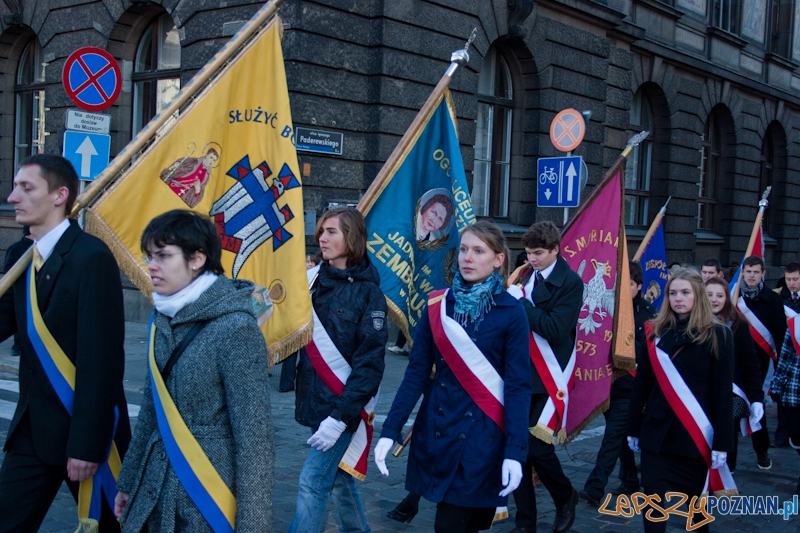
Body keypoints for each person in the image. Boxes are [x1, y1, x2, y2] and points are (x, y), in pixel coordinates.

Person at [114, 210, 273, 531]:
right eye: (149, 256)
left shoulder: (236, 328)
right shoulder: (162, 318)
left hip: (205, 492)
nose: (152, 266)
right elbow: (151, 410)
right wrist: (129, 482)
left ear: (197, 258)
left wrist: (253, 526)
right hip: (155, 488)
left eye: (163, 256)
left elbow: (254, 438)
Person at [0, 154, 131, 532]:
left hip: (82, 430)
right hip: (32, 431)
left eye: (26, 188)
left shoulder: (91, 257)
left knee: (112, 527)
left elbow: (102, 361)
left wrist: (88, 446)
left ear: (59, 196)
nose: (12, 197)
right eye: (15, 187)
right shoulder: (20, 255)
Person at [375, 220, 531, 533]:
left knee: (452, 526)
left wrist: (516, 451)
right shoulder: (438, 304)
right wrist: (391, 429)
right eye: (463, 250)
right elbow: (416, 373)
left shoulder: (511, 312)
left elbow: (517, 387)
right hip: (438, 428)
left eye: (478, 251)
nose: (467, 258)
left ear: (498, 259)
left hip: (483, 436)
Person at [288, 207, 387, 533]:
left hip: (343, 408)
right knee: (340, 480)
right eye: (321, 231)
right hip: (314, 400)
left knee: (313, 481)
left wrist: (339, 417)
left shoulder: (369, 294)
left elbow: (370, 365)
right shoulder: (312, 282)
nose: (322, 238)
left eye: (331, 231)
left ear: (352, 238)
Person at [627, 268, 734, 533]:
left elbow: (722, 394)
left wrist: (723, 443)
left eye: (685, 292)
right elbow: (642, 385)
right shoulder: (655, 332)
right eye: (673, 293)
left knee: (697, 512)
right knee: (653, 505)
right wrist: (633, 428)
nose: (678, 298)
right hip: (657, 434)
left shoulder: (718, 334)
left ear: (698, 295)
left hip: (694, 435)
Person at [507, 221, 582, 533]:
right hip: (519, 372)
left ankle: (565, 496)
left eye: (538, 253)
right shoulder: (525, 274)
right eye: (528, 253)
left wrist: (522, 303)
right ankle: (526, 521)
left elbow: (555, 329)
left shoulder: (571, 283)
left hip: (549, 377)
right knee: (516, 448)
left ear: (555, 250)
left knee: (538, 449)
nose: (532, 259)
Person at [579, 261, 657, 506]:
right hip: (608, 384)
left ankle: (595, 487)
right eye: (621, 285)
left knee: (612, 436)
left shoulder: (648, 315)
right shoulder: (611, 309)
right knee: (621, 436)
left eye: (630, 285)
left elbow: (646, 355)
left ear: (640, 286)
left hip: (632, 388)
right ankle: (630, 480)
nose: (624, 290)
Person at [705, 277, 764, 472]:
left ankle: (726, 475)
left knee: (726, 441)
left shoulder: (738, 325)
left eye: (719, 295)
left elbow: (750, 365)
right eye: (709, 295)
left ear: (726, 298)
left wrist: (756, 398)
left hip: (730, 393)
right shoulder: (693, 323)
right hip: (701, 393)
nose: (714, 299)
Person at [738, 255, 787, 466]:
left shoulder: (773, 299)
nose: (751, 276)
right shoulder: (734, 296)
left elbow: (779, 334)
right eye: (748, 271)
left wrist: (778, 366)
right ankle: (729, 460)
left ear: (763, 274)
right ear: (742, 272)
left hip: (760, 363)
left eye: (756, 272)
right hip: (734, 360)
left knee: (757, 408)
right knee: (732, 407)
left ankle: (761, 450)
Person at [279, 251, 321, 392]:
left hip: (311, 318)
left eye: (312, 262)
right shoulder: (295, 277)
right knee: (291, 352)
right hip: (296, 318)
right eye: (307, 261)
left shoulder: (318, 278)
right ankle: (286, 384)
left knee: (308, 353)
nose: (309, 264)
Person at [769, 326, 800, 495]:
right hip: (794, 392)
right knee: (796, 436)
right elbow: (785, 357)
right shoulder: (795, 324)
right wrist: (776, 385)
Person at [3, 225, 32, 358]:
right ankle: (18, 345)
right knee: (20, 316)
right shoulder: (16, 248)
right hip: (20, 289)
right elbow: (8, 269)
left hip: (36, 288)